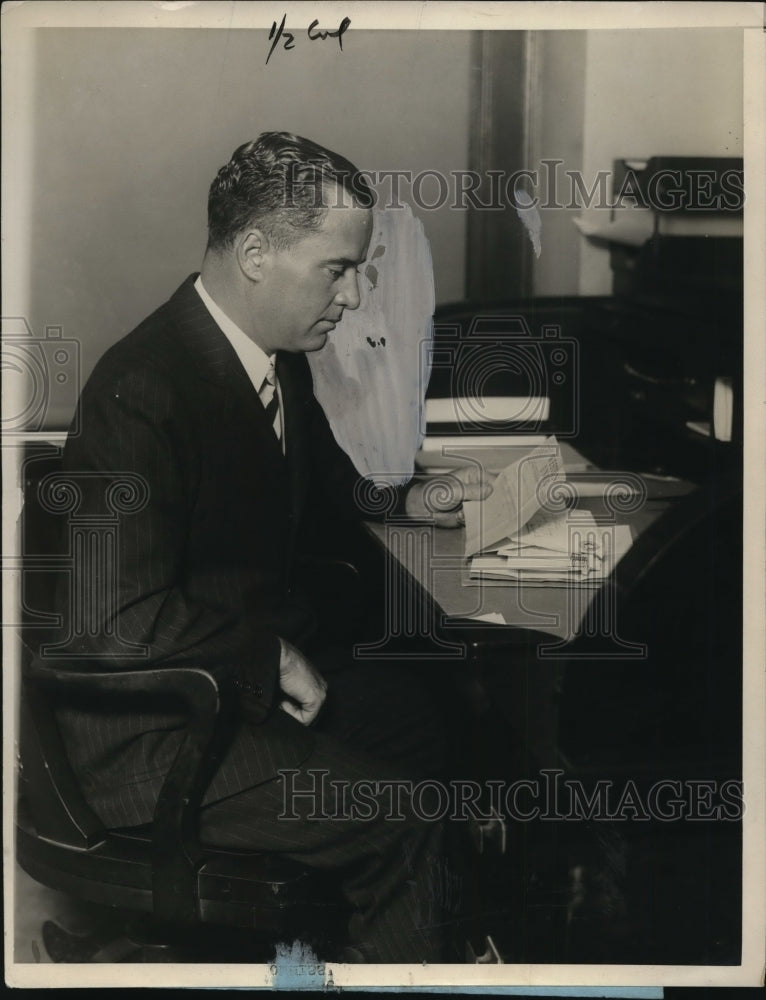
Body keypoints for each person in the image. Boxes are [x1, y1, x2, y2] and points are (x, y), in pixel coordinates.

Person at [48, 132, 492, 963]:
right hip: (156, 732)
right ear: (256, 254)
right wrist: (270, 655)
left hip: (229, 690)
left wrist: (402, 498)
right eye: (337, 270)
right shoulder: (140, 389)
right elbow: (113, 622)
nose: (354, 296)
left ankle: (367, 942)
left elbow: (320, 485)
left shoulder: (274, 358)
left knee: (428, 722)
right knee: (410, 818)